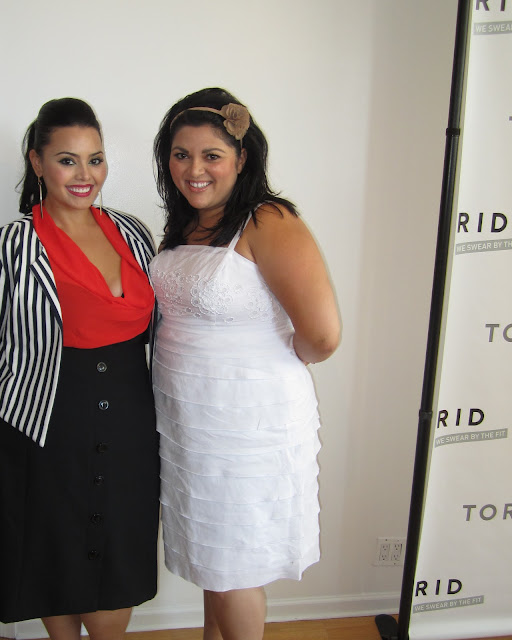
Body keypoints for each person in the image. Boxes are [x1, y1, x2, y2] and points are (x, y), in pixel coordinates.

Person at [0, 97, 159, 640]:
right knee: (52, 563)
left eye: (95, 159)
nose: (85, 175)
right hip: (39, 436)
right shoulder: (10, 247)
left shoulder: (134, 234)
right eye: (68, 160)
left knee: (117, 574)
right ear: (37, 163)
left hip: (129, 433)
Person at [151, 88, 341, 640]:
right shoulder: (187, 224)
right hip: (190, 424)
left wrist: (272, 360)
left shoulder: (268, 220)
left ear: (241, 158)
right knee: (216, 561)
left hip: (246, 425)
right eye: (181, 154)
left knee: (235, 568)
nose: (194, 169)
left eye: (211, 155)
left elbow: (323, 335)